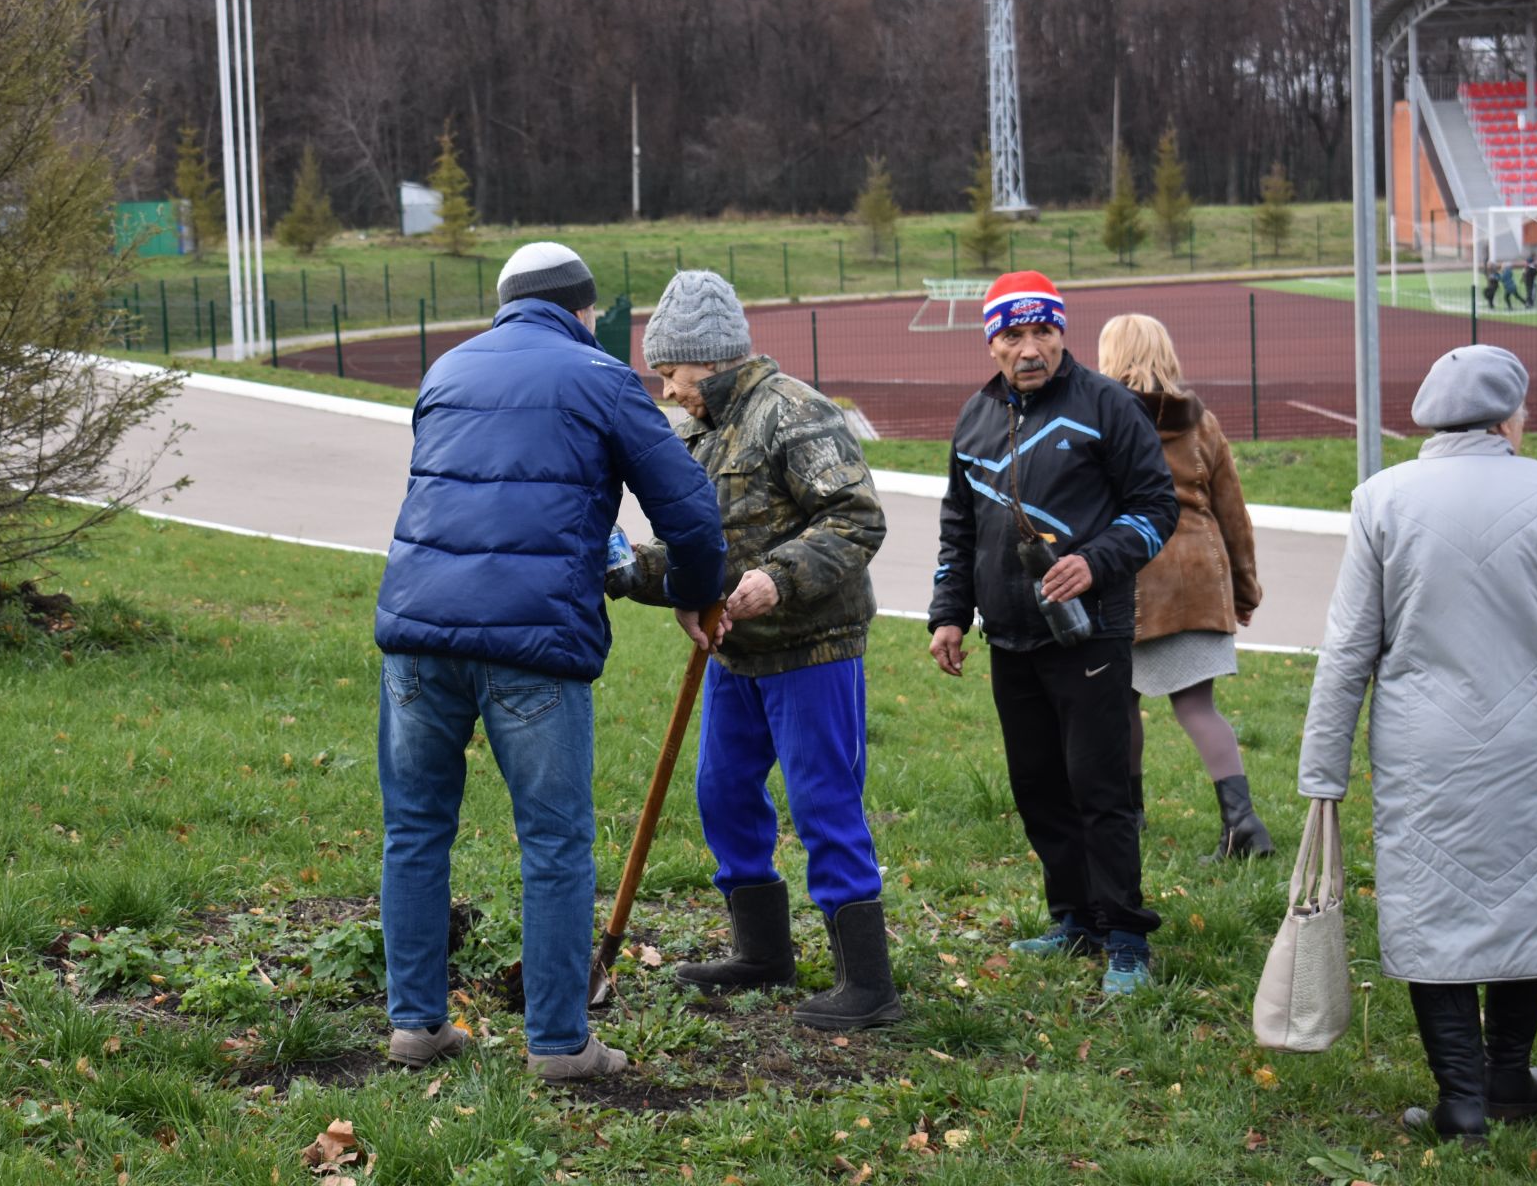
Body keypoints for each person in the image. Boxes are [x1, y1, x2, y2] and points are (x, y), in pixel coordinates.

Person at [374, 242, 729, 1079]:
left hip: (418, 634)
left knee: (416, 831)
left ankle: (416, 1026)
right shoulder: (600, 376)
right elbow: (690, 509)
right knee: (556, 842)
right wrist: (695, 590)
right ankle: (561, 1043)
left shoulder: (447, 370)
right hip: (533, 643)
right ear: (585, 312)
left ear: (503, 304)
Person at [1299, 345, 1537, 1141]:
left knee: (1433, 907)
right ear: (1507, 416)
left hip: (1426, 749)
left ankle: (1463, 1100)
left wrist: (1323, 774)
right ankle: (1508, 1076)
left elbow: (1349, 649)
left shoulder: (1381, 498)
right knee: (1533, 893)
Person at [611, 271, 898, 1030]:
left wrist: (778, 578)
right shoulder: (699, 432)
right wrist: (652, 580)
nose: (668, 391)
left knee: (821, 802)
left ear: (707, 360)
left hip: (813, 646)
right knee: (723, 792)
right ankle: (763, 951)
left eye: (670, 373)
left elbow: (856, 520)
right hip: (735, 655)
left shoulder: (793, 412)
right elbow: (695, 549)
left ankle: (868, 984)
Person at [927, 271, 1180, 995]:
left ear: (1063, 333)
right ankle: (1075, 918)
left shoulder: (1108, 405)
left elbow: (1155, 507)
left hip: (1090, 635)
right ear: (992, 341)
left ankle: (1126, 935)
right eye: (1013, 335)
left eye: (1043, 332)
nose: (1030, 347)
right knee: (1038, 786)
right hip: (1009, 635)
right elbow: (960, 527)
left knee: (1100, 787)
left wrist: (1093, 564)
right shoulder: (975, 417)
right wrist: (950, 613)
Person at [1096, 315, 1269, 859]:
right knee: (1197, 706)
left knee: (1117, 703)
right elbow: (1232, 514)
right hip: (1198, 577)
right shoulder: (1202, 424)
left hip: (1129, 577)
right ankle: (1242, 825)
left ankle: (1129, 819)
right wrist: (1245, 592)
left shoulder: (1099, 421)